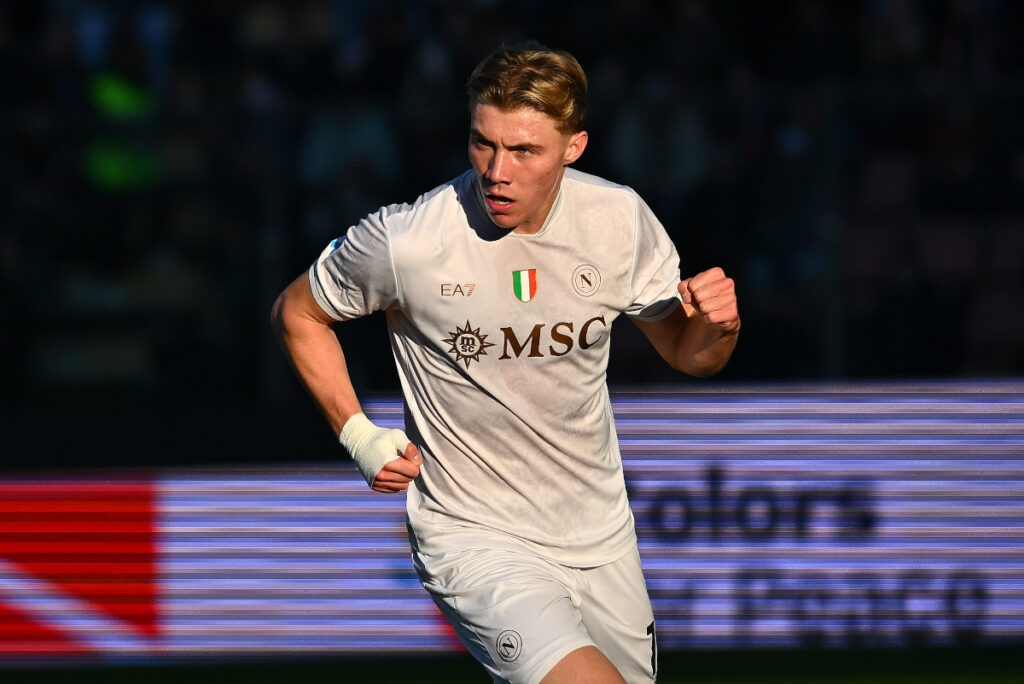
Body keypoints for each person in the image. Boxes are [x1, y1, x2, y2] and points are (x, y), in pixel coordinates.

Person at [271, 41, 740, 684]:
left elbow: (691, 356)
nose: (497, 171)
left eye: (524, 151)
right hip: (473, 538)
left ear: (574, 147)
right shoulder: (408, 240)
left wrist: (720, 327)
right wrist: (358, 434)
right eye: (482, 143)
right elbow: (297, 312)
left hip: (602, 536)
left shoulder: (619, 220)